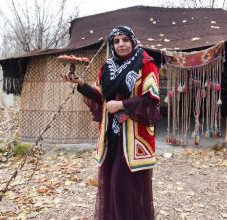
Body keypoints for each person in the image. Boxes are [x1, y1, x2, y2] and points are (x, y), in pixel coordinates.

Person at [63, 25, 161, 219]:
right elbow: (101, 97)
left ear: (133, 41)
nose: (121, 44)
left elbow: (152, 98)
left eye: (125, 40)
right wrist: (81, 84)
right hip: (112, 135)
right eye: (116, 41)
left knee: (122, 185)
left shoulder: (145, 64)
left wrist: (122, 104)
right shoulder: (107, 67)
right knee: (111, 184)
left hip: (133, 137)